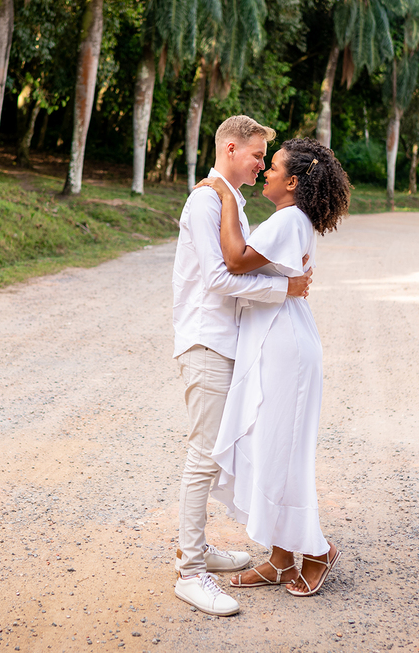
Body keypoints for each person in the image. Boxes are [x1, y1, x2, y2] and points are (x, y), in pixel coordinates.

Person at [170, 115, 313, 616]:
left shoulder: (229, 202)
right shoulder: (205, 199)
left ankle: (200, 548)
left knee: (217, 452)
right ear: (231, 149)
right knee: (203, 455)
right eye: (257, 156)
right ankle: (190, 572)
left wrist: (286, 275)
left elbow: (243, 262)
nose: (260, 165)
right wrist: (285, 288)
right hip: (206, 343)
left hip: (227, 346)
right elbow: (217, 278)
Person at [197, 136, 350, 597]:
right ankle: (282, 558)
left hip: (286, 346)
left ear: (294, 182)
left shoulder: (288, 219)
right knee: (272, 448)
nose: (265, 170)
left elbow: (235, 259)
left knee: (284, 452)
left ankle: (317, 551)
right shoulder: (289, 219)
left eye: (274, 165)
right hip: (279, 338)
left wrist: (224, 193)